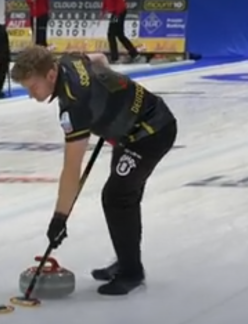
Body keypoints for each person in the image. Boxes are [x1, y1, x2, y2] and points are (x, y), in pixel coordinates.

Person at [10, 46, 177, 296]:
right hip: (131, 130)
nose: (31, 95)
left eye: (33, 87)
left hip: (152, 132)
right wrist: (112, 97)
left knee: (117, 197)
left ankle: (131, 272)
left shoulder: (75, 105)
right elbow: (99, 59)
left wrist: (59, 217)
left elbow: (71, 168)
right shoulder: (68, 60)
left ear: (51, 75)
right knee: (123, 197)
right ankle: (127, 260)